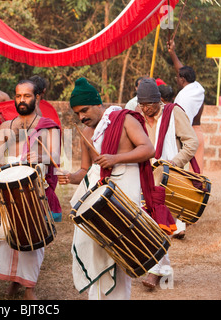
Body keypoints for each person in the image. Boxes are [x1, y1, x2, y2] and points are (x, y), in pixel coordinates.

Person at [64, 77, 160, 300]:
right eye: (77, 113)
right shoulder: (86, 134)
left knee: (120, 254)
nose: (82, 117)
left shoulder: (124, 120)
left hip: (123, 195)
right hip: (97, 199)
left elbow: (148, 149)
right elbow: (85, 171)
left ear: (98, 103)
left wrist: (116, 158)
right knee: (95, 250)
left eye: (85, 110)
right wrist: (69, 177)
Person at [0, 79, 61, 300]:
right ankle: (13, 282)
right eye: (18, 96)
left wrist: (41, 156)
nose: (22, 100)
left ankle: (29, 287)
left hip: (34, 191)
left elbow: (56, 157)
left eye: (27, 96)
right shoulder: (6, 126)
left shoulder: (47, 125)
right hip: (10, 192)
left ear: (37, 97)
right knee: (11, 239)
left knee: (32, 238)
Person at [136, 78, 198, 288]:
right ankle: (165, 272)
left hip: (168, 179)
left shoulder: (174, 113)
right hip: (144, 177)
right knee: (150, 224)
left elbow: (191, 143)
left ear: (158, 101)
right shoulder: (138, 115)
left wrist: (174, 163)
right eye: (142, 105)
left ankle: (154, 272)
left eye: (149, 105)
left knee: (157, 225)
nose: (145, 109)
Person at [168, 39, 205, 173]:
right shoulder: (197, 88)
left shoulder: (184, 97)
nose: (176, 80)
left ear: (182, 80)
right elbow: (181, 69)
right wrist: (172, 52)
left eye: (177, 77)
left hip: (187, 136)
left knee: (179, 173)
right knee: (197, 173)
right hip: (198, 134)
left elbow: (181, 122)